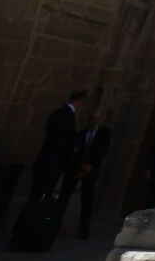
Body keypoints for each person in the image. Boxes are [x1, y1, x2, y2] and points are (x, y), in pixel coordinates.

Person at [29, 89, 87, 206]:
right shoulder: (67, 115)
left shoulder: (59, 113)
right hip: (52, 163)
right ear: (80, 101)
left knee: (37, 194)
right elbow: (62, 139)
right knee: (41, 195)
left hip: (47, 160)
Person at [71, 109, 113, 237]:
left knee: (87, 197)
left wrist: (91, 165)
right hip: (78, 168)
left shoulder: (104, 133)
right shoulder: (81, 133)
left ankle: (84, 227)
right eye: (92, 118)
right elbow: (76, 151)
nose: (94, 121)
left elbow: (102, 151)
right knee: (65, 194)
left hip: (92, 169)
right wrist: (80, 166)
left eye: (97, 119)